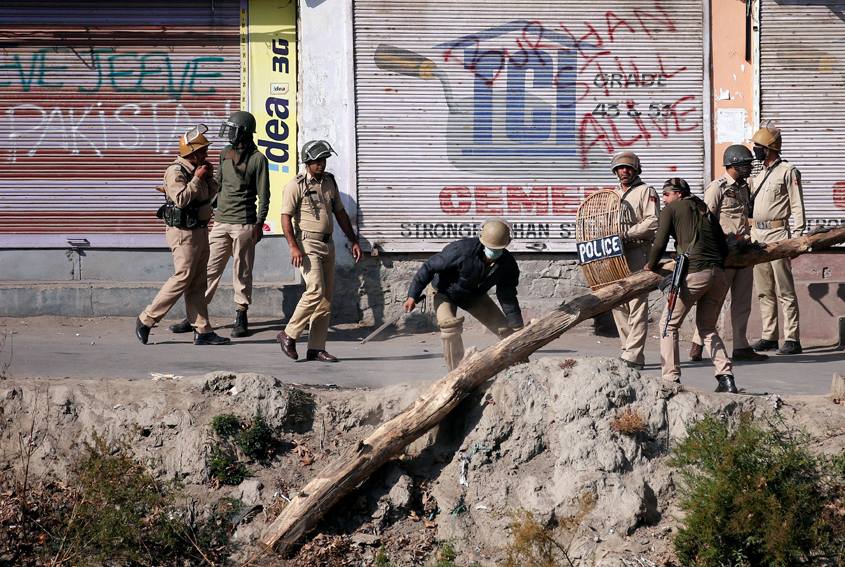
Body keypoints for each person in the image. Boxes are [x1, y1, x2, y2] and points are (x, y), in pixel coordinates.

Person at [168, 111, 270, 338]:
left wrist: (259, 224)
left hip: (244, 223)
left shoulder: (258, 159)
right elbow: (217, 185)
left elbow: (264, 196)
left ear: (244, 133)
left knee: (242, 272)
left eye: (234, 130)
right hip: (221, 222)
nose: (230, 134)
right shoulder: (225, 153)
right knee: (207, 271)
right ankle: (195, 317)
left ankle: (241, 316)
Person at [135, 125, 230, 346]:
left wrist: (207, 177)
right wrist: (197, 179)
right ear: (192, 152)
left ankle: (203, 330)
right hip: (183, 234)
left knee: (198, 283)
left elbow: (211, 194)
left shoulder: (198, 170)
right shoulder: (176, 171)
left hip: (200, 231)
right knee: (183, 277)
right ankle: (146, 319)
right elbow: (180, 199)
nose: (206, 154)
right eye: (203, 151)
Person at [646, 179, 736, 393]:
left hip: (694, 275)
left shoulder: (671, 210)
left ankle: (671, 380)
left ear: (677, 194)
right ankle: (726, 378)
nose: (664, 199)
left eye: (666, 194)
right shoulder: (706, 210)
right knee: (706, 327)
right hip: (718, 276)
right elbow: (723, 249)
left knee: (668, 325)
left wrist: (651, 265)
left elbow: (659, 242)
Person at [276, 140, 362, 362]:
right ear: (307, 161)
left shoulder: (329, 182)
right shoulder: (295, 185)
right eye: (317, 161)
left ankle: (316, 348)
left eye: (323, 160)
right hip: (307, 245)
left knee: (325, 300)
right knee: (315, 289)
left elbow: (340, 213)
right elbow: (285, 217)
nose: (321, 164)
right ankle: (288, 334)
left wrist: (353, 240)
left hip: (328, 244)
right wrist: (293, 247)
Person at [402, 219, 523, 371]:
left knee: (507, 332)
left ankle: (522, 369)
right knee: (450, 328)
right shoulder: (460, 250)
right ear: (481, 240)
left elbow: (507, 296)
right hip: (444, 292)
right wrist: (413, 296)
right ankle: (457, 374)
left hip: (474, 297)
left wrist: (517, 325)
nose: (493, 252)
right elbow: (429, 267)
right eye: (490, 247)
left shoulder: (507, 265)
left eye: (498, 248)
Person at [688, 145, 768, 363]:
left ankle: (741, 346)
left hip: (744, 252)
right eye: (746, 164)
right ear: (733, 165)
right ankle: (698, 343)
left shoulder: (743, 187)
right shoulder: (716, 188)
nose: (750, 167)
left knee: (742, 303)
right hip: (723, 255)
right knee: (714, 301)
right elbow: (706, 221)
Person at [748, 123, 806, 355]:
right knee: (763, 290)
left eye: (758, 146)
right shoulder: (758, 173)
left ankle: (792, 339)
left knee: (785, 290)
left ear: (770, 148)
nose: (755, 150)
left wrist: (799, 238)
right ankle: (769, 336)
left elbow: (797, 205)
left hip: (778, 235)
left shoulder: (788, 171)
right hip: (756, 236)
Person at [609, 152, 660, 370]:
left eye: (629, 168)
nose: (624, 171)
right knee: (617, 302)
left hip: (637, 251)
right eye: (621, 168)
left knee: (637, 303)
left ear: (637, 170)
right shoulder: (611, 194)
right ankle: (627, 350)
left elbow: (653, 221)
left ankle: (635, 355)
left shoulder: (645, 191)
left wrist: (627, 234)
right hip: (615, 255)